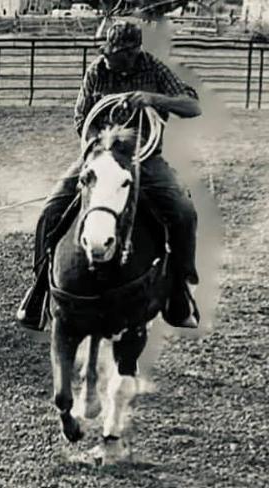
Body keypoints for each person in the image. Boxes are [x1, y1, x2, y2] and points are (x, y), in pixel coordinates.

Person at [16, 21, 202, 330]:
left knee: (183, 211)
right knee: (51, 210)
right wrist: (100, 146)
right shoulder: (96, 72)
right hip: (100, 156)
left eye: (115, 54)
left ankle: (179, 290)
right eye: (108, 53)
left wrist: (154, 99)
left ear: (132, 53)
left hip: (145, 156)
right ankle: (40, 289)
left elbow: (192, 106)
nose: (108, 59)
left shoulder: (153, 69)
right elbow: (82, 118)